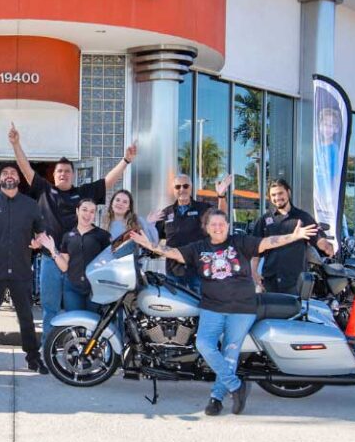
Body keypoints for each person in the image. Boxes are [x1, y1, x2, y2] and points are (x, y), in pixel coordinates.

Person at [130, 209, 318, 416]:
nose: (218, 228)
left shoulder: (240, 242)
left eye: (221, 224)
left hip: (242, 308)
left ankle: (216, 398)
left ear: (228, 225)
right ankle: (236, 386)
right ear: (207, 228)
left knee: (230, 352)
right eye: (213, 224)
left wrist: (294, 236)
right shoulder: (199, 248)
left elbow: (268, 242)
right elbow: (172, 252)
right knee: (204, 344)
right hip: (212, 307)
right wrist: (147, 243)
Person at [9, 122, 137, 342]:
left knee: (75, 313)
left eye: (67, 171)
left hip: (78, 264)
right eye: (59, 171)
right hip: (50, 260)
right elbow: (26, 168)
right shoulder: (45, 190)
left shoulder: (83, 193)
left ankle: (74, 352)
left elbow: (108, 181)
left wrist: (125, 161)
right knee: (49, 309)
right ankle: (47, 351)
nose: (63, 174)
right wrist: (16, 144)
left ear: (73, 175)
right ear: (54, 174)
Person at [0, 163, 48, 374]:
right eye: (5, 173)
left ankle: (33, 358)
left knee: (26, 317)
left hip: (21, 270)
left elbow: (40, 233)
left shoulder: (31, 205)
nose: (9, 176)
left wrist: (38, 242)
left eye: (13, 173)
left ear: (19, 179)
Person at [251, 179, 334, 295]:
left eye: (280, 193)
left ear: (288, 193)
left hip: (295, 281)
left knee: (294, 313)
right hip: (270, 280)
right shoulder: (265, 220)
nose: (277, 197)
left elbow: (318, 239)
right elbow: (255, 249)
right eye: (273, 195)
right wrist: (254, 272)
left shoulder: (303, 217)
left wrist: (327, 246)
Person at [151, 173, 231, 294]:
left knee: (199, 307)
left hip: (198, 270)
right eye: (178, 187)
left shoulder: (202, 208)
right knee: (176, 309)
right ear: (173, 190)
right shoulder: (166, 213)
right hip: (174, 271)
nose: (182, 189)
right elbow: (154, 239)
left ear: (191, 188)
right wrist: (148, 224)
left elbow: (221, 218)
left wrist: (221, 196)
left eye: (185, 186)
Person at [38, 199, 111, 312]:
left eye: (92, 211)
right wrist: (53, 250)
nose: (88, 214)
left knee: (94, 324)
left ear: (95, 215)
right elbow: (64, 267)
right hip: (72, 289)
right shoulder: (68, 236)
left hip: (95, 289)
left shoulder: (103, 235)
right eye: (84, 210)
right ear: (77, 211)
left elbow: (110, 261)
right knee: (74, 324)